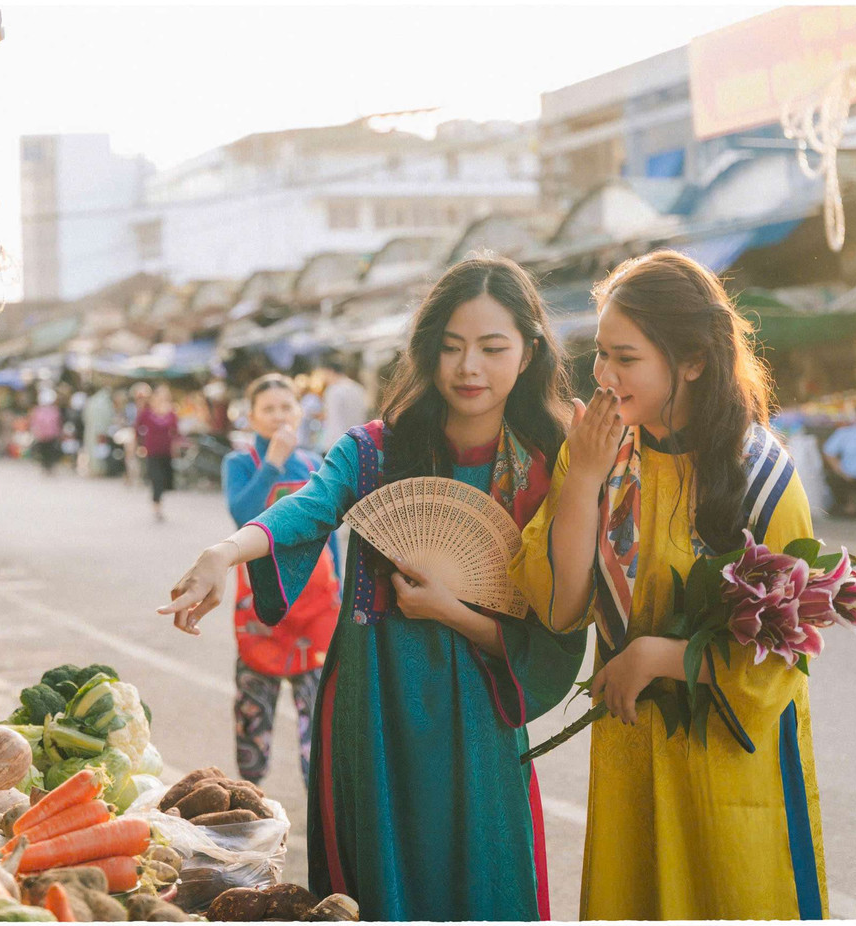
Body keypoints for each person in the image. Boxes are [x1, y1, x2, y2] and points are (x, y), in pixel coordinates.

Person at [158, 256, 585, 920]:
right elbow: (308, 507)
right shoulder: (374, 452)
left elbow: (557, 625)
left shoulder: (549, 471)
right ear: (426, 352)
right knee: (379, 879)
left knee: (483, 873)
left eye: (492, 348)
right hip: (375, 701)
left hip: (479, 711)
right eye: (450, 347)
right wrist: (225, 551)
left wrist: (451, 610)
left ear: (529, 352)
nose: (469, 367)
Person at [511, 249, 826, 919]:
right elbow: (562, 606)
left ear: (692, 361)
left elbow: (782, 657)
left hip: (726, 764)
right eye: (599, 354)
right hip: (631, 753)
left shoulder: (760, 477)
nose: (602, 375)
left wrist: (658, 655)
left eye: (626, 358)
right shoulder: (600, 447)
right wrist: (587, 479)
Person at [221, 374, 342, 789]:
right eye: (268, 409)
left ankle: (320, 801)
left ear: (299, 411)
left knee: (321, 715)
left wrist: (339, 585)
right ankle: (250, 799)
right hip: (262, 608)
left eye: (286, 407)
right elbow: (243, 516)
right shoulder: (240, 463)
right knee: (254, 713)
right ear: (252, 416)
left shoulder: (313, 463)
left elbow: (329, 531)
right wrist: (271, 461)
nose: (278, 416)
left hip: (315, 610)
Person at [137, 384, 179, 522]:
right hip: (152, 450)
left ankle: (159, 501)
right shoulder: (147, 413)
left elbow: (175, 432)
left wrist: (175, 447)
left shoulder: (171, 413)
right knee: (157, 478)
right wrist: (140, 444)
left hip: (166, 451)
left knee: (166, 480)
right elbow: (137, 427)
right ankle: (157, 506)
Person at [317, 358, 369, 450]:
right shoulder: (358, 388)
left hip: (339, 444)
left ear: (330, 371)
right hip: (358, 441)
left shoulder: (333, 390)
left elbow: (334, 421)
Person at [81, 386, 116, 477]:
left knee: (95, 451)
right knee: (99, 451)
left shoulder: (92, 401)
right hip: (101, 430)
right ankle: (98, 470)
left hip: (91, 430)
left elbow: (85, 417)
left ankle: (97, 470)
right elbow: (108, 417)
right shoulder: (104, 403)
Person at [29, 389, 63, 475]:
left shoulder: (38, 410)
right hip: (49, 435)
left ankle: (47, 466)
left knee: (45, 451)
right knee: (48, 451)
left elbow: (34, 423)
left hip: (44, 435)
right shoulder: (54, 410)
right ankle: (47, 466)